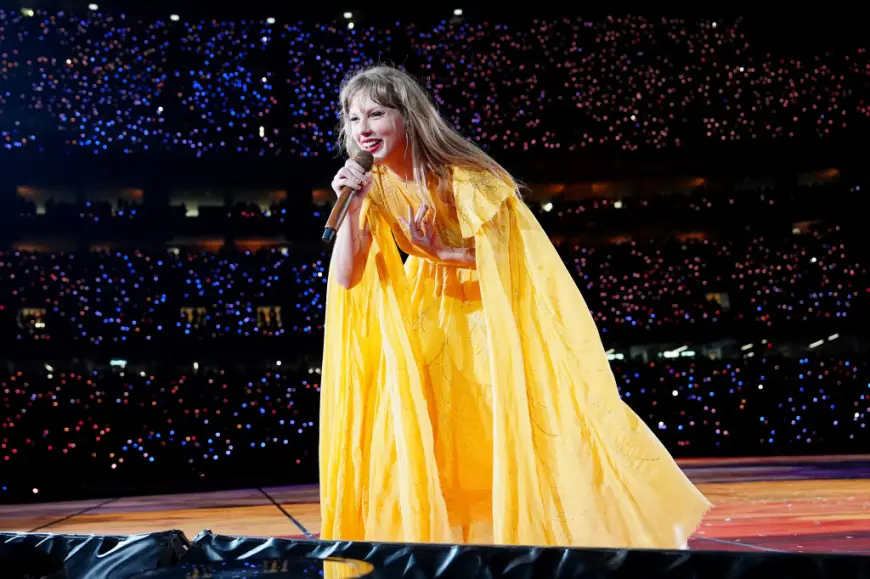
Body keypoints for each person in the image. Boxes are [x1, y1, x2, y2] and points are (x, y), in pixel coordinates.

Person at [318, 64, 712, 549]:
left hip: (494, 317)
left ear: (409, 116)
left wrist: (441, 253)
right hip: (433, 319)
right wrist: (353, 202)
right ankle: (457, 548)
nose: (362, 129)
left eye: (375, 114)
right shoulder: (372, 186)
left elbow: (518, 270)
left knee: (503, 431)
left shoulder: (467, 178)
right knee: (438, 441)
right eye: (353, 119)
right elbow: (345, 276)